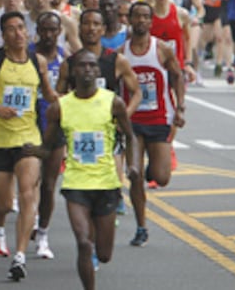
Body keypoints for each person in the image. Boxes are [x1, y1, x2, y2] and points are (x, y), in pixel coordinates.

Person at [0, 11, 56, 281]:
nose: (18, 33)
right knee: (4, 202)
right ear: (4, 35)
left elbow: (48, 93)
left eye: (21, 28)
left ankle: (20, 256)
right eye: (11, 29)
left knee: (27, 193)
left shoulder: (37, 61)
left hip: (28, 137)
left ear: (28, 33)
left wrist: (68, 100)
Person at [41, 49, 139, 290]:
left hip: (106, 184)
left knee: (104, 254)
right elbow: (47, 147)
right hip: (76, 185)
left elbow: (130, 137)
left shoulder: (112, 102)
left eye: (91, 66)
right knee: (84, 243)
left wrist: (133, 165)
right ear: (73, 72)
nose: (87, 70)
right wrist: (29, 153)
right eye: (82, 66)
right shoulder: (59, 107)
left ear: (97, 71)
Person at [122, 1, 186, 247]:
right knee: (134, 174)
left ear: (151, 21)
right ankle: (141, 226)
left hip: (159, 118)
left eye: (145, 17)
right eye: (136, 16)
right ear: (129, 20)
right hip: (133, 121)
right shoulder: (122, 51)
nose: (140, 21)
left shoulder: (161, 49)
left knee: (161, 177)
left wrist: (180, 106)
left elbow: (177, 75)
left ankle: (152, 167)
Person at [27, 11, 67, 260]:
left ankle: (43, 234)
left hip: (56, 128)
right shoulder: (28, 55)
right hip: (30, 125)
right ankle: (29, 221)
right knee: (30, 182)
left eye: (54, 30)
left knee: (50, 184)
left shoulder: (65, 60)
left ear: (60, 32)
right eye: (45, 30)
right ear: (38, 31)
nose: (49, 35)